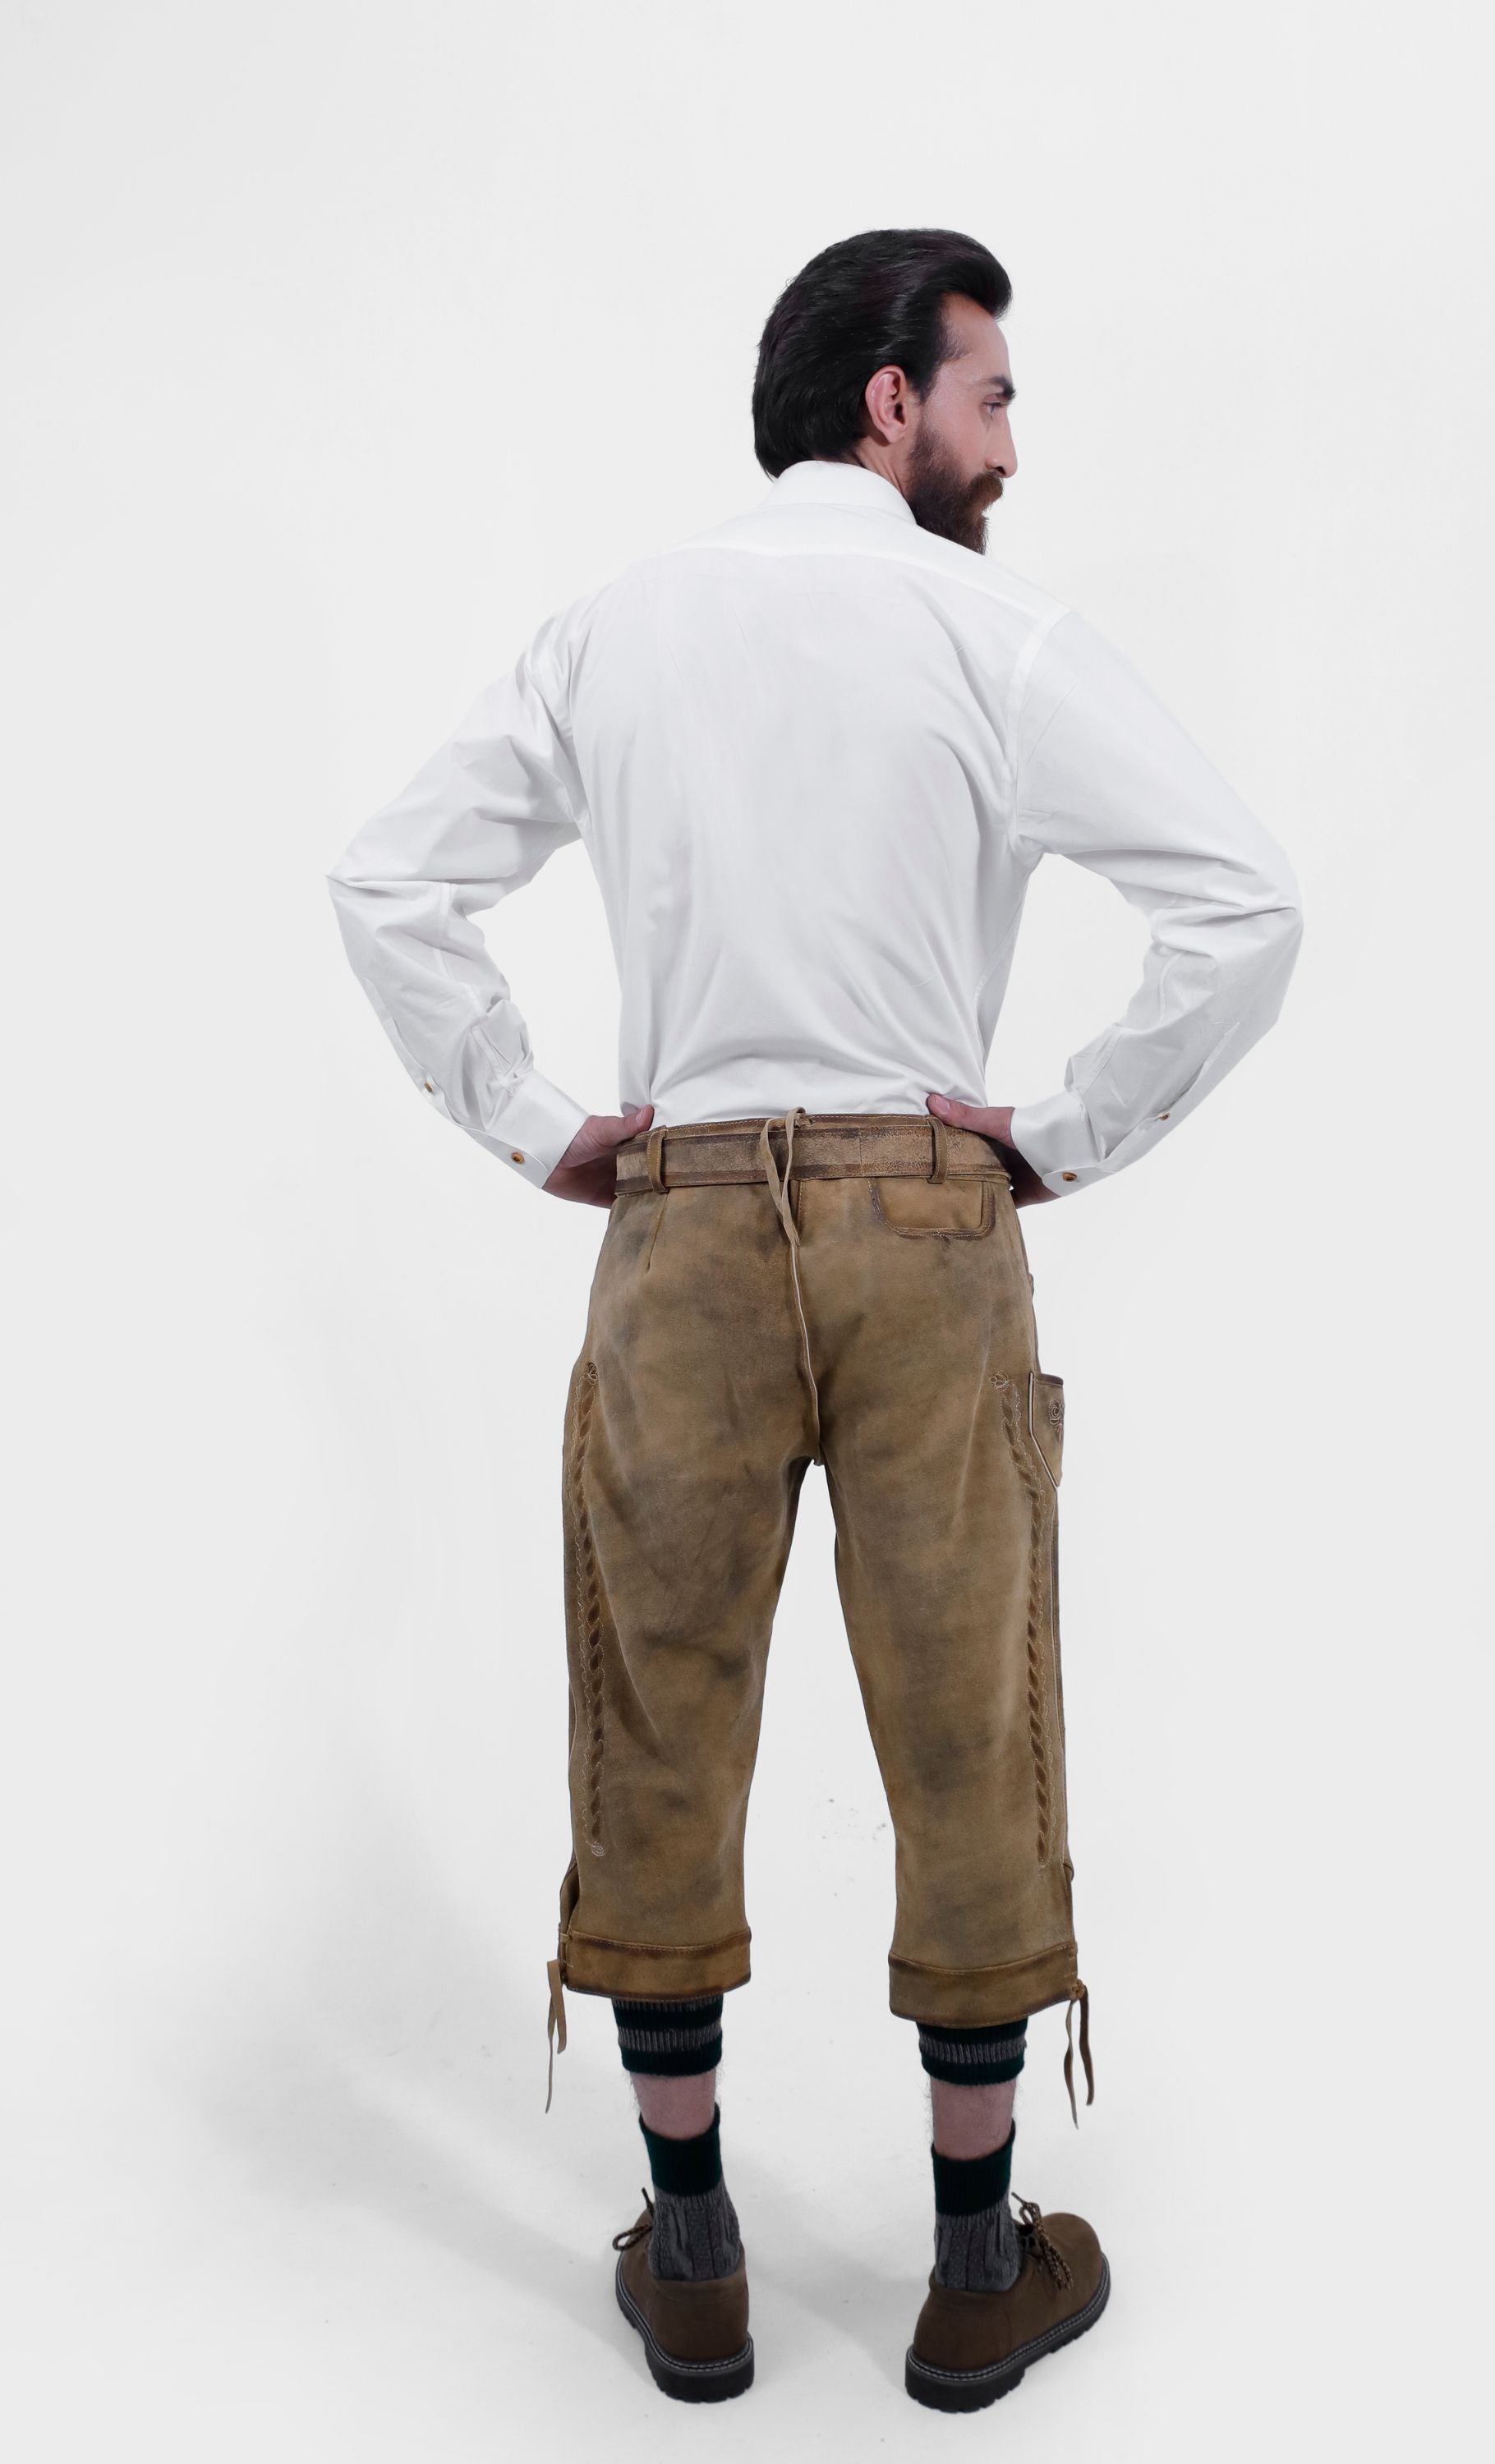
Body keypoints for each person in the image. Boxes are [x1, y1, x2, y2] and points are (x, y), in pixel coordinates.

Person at [326, 226, 1304, 2412]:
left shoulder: (615, 627)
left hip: (675, 1218)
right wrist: (1061, 1134)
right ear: (889, 401)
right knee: (967, 1711)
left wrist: (534, 1123)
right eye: (991, 397)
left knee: (657, 1703)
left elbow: (387, 880)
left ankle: (691, 2255)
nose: (1009, 446)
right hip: (923, 1216)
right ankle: (974, 2267)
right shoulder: (992, 631)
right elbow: (1247, 906)